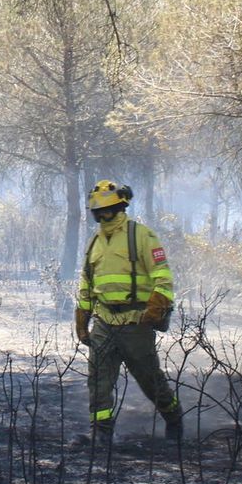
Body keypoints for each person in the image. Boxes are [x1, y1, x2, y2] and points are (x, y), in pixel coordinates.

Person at [73, 179, 183, 441]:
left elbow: (163, 276)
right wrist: (82, 318)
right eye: (98, 210)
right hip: (104, 321)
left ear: (121, 206)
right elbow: (88, 285)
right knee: (98, 379)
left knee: (149, 380)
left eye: (107, 209)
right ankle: (101, 433)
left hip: (136, 322)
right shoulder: (94, 243)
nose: (103, 214)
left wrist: (157, 306)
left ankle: (174, 417)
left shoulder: (141, 236)